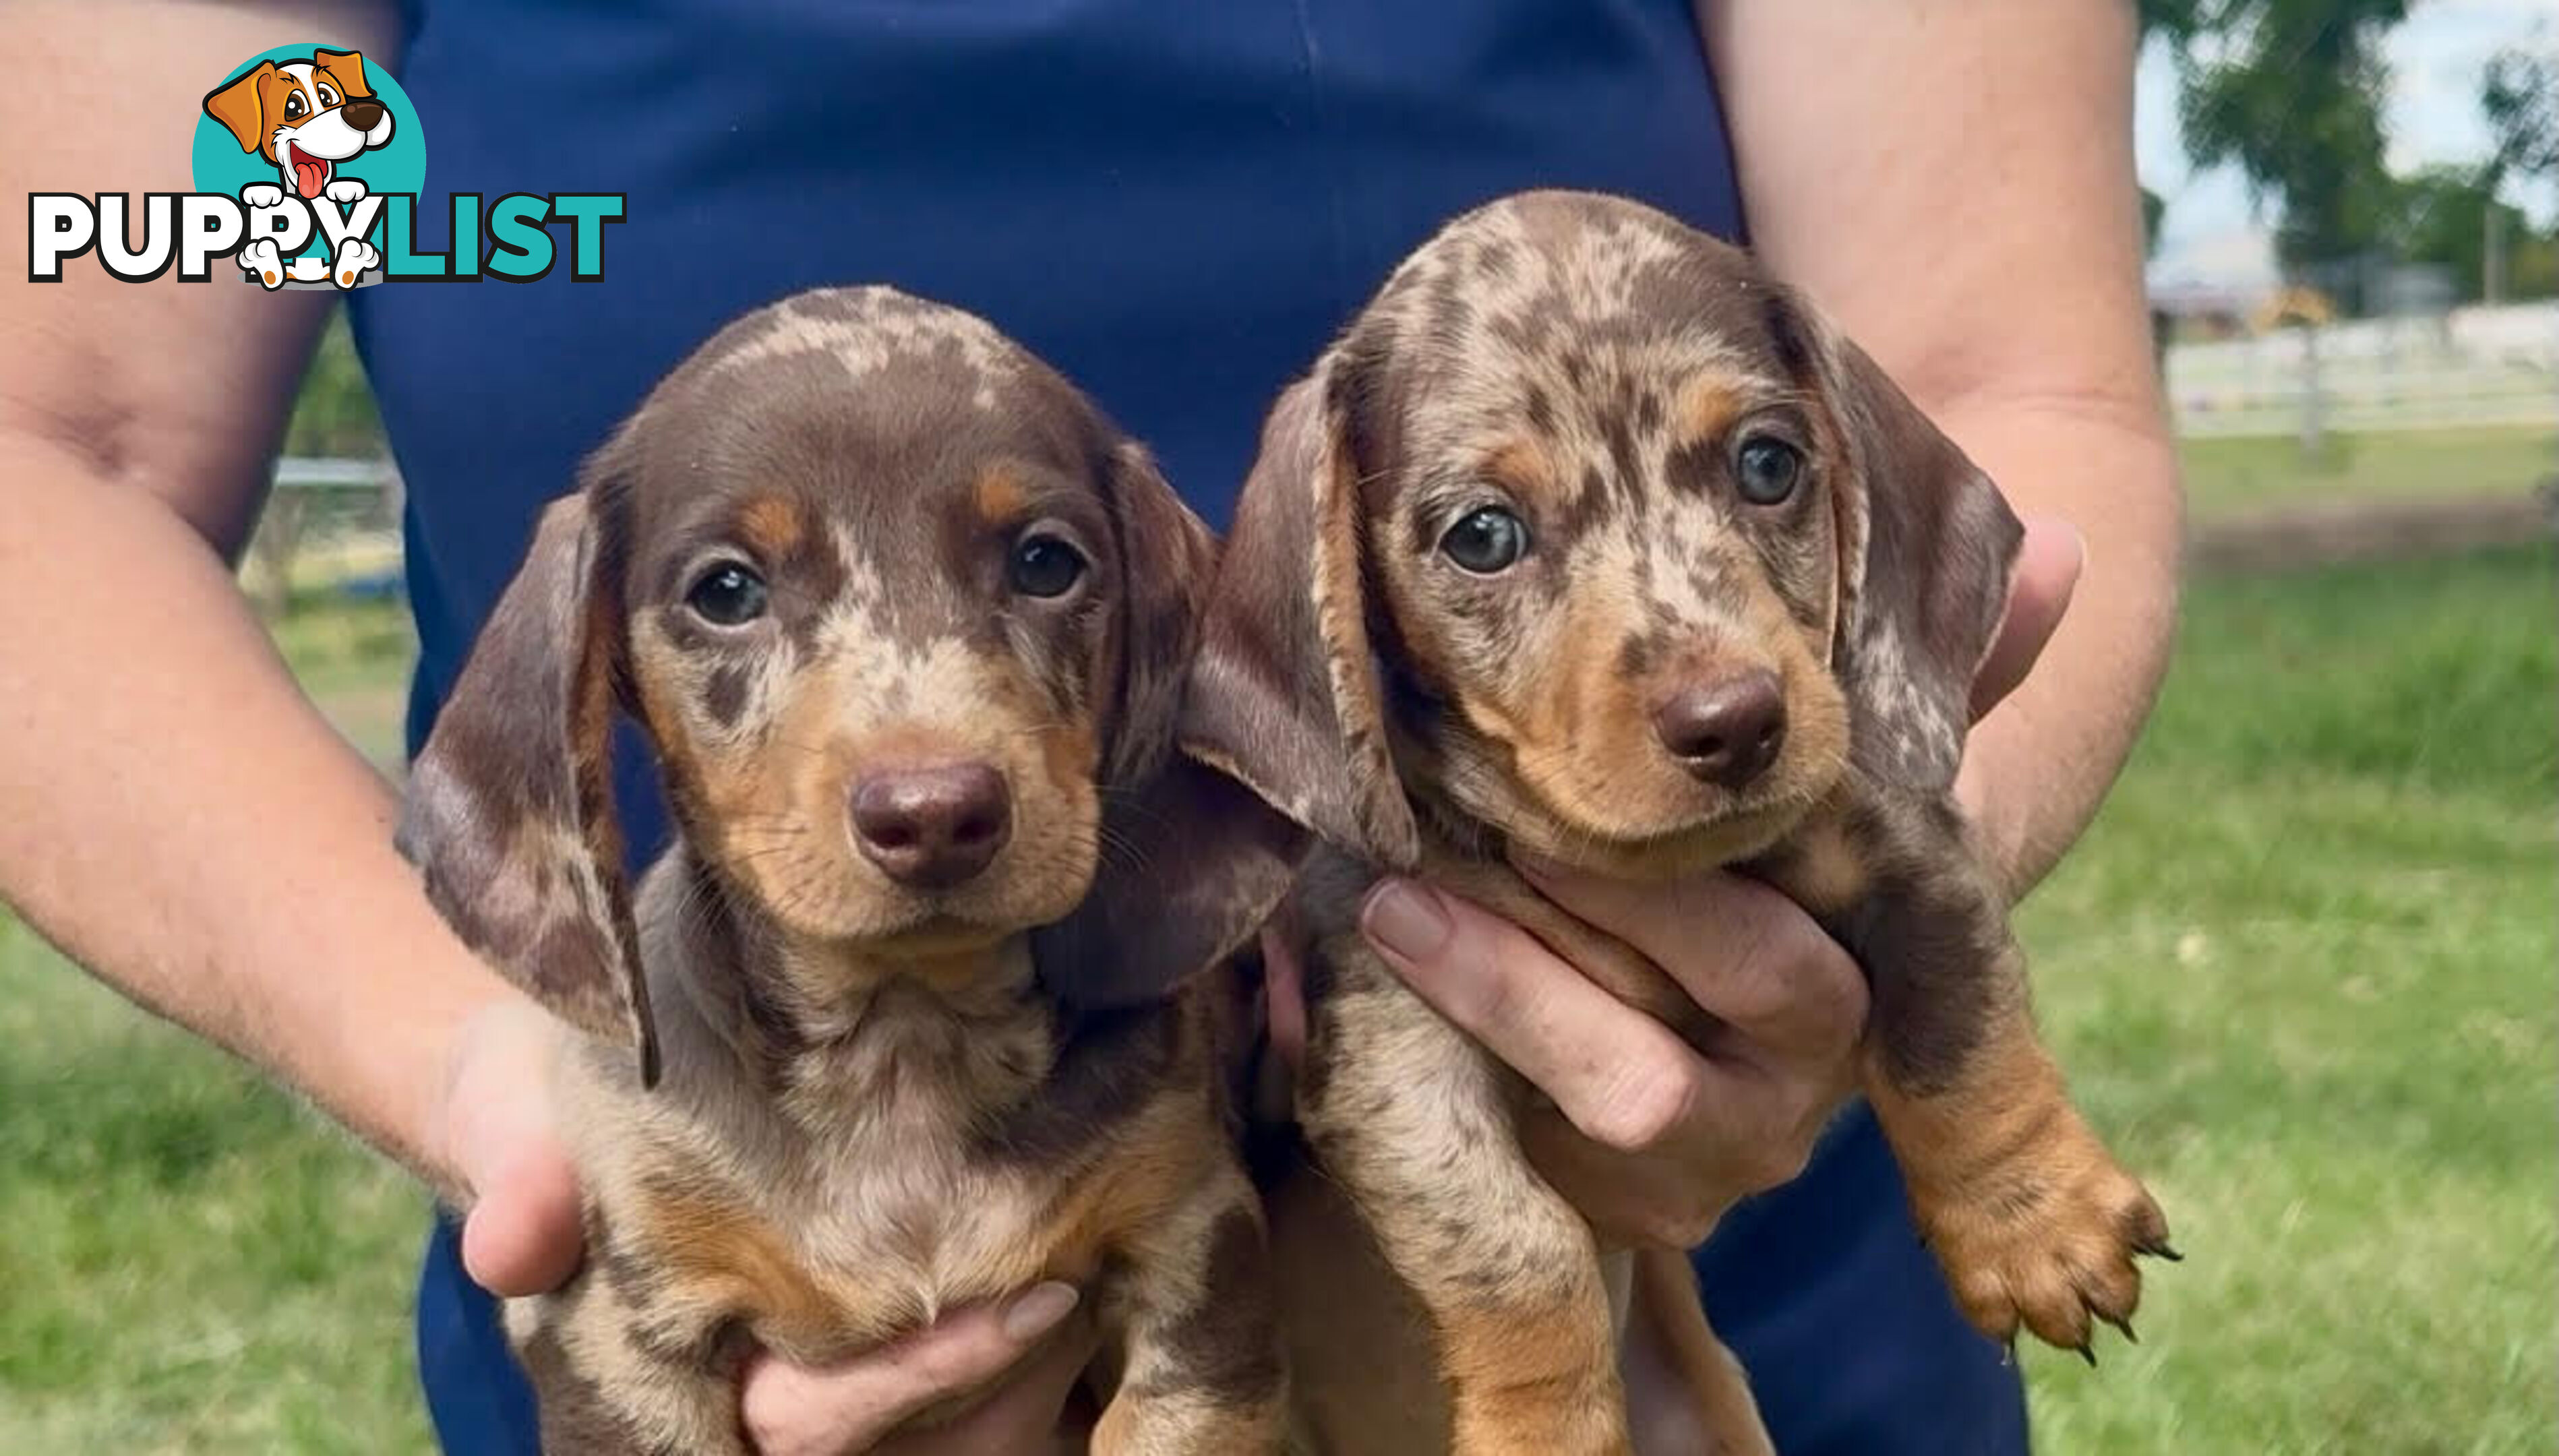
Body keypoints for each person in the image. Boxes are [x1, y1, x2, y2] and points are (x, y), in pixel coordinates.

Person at [0, 1, 2180, 1451]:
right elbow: (56, 444)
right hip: (743, 1332)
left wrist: (1804, 956)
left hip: (1689, 1299)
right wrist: (514, 1086)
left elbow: (2004, 366)